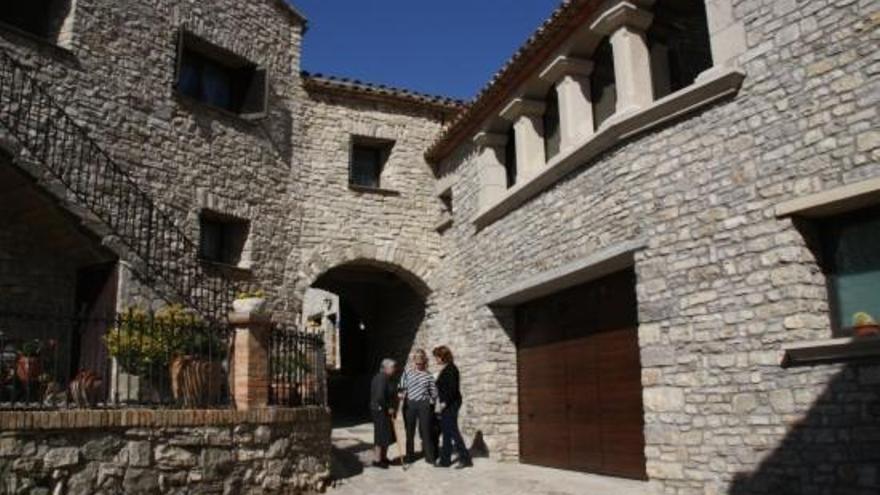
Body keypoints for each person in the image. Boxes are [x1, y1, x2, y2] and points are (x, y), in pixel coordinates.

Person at [433, 346, 473, 469]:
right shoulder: (446, 368)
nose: (436, 359)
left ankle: (466, 459)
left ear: (442, 357)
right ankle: (445, 460)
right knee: (446, 431)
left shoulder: (451, 369)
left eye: (437, 357)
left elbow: (453, 389)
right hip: (447, 403)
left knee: (452, 431)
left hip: (451, 404)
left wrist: (444, 403)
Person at [398, 349, 438, 464]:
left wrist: (431, 401)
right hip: (410, 404)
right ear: (414, 361)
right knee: (409, 432)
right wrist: (400, 393)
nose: (419, 365)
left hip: (424, 405)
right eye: (417, 363)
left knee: (425, 431)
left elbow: (434, 392)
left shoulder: (428, 375)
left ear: (424, 362)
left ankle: (429, 457)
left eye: (421, 363)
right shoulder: (407, 372)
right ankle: (409, 457)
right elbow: (401, 385)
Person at [370, 358, 397, 468]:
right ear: (386, 368)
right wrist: (389, 407)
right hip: (381, 410)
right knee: (381, 434)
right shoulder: (381, 378)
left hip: (384, 410)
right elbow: (380, 396)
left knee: (386, 434)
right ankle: (377, 460)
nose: (395, 369)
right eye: (393, 367)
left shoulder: (386, 377)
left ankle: (384, 458)